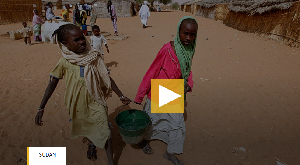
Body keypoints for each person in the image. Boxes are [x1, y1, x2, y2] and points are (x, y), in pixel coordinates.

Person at [35, 24, 131, 165]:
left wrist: (121, 95)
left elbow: (106, 77)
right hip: (77, 103)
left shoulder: (94, 57)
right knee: (86, 126)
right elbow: (52, 84)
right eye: (76, 40)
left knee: (106, 131)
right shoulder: (64, 62)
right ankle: (91, 143)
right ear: (65, 43)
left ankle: (111, 162)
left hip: (96, 100)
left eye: (82, 38)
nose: (82, 42)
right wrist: (41, 108)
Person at [134, 16, 198, 165]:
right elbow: (152, 71)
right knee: (150, 120)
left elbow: (188, 71)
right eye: (185, 33)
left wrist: (189, 83)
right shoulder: (167, 49)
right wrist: (140, 95)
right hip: (159, 90)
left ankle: (170, 152)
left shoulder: (189, 50)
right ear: (178, 32)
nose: (188, 38)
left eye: (192, 34)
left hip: (174, 91)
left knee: (177, 122)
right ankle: (143, 141)